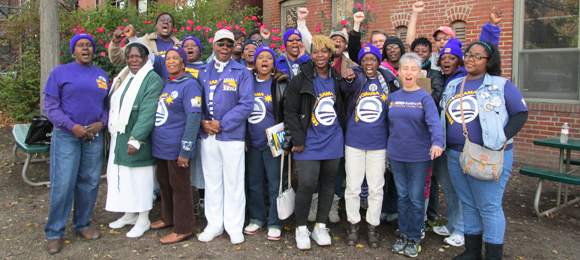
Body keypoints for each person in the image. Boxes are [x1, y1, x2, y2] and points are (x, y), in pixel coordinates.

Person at [441, 41, 528, 260]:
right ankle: (472, 251)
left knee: (488, 206)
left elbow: (520, 113)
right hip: (456, 154)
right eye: (469, 54)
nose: (471, 59)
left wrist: (501, 139)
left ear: (489, 62)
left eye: (478, 57)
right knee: (468, 203)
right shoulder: (455, 84)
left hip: (487, 155)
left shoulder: (501, 85)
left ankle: (492, 255)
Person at [432, 7, 504, 248]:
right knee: (450, 189)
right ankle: (453, 223)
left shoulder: (470, 76)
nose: (447, 62)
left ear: (461, 60)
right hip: (448, 147)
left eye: (452, 57)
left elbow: (485, 50)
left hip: (471, 148)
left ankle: (463, 229)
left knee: (467, 192)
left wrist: (491, 27)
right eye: (443, 59)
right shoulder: (444, 81)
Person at [43, 33, 108, 254]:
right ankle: (54, 232)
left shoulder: (101, 75)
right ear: (73, 51)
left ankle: (82, 224)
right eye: (80, 45)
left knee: (89, 182)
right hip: (67, 136)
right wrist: (72, 126)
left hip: (93, 137)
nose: (85, 48)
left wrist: (102, 122)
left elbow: (107, 105)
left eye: (89, 45)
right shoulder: (60, 72)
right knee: (63, 184)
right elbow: (51, 106)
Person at [283, 35, 345, 250]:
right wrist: (298, 139)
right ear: (311, 54)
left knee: (328, 185)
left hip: (333, 140)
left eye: (324, 51)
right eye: (316, 51)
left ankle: (320, 225)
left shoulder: (336, 78)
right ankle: (301, 228)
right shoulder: (301, 79)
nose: (320, 55)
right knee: (308, 184)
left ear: (330, 54)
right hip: (308, 142)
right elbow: (290, 111)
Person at [197, 29, 254, 245]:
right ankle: (214, 225)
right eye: (220, 44)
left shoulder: (241, 72)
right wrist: (203, 122)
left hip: (231, 135)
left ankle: (233, 226)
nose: (224, 48)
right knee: (212, 182)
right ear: (213, 45)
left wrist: (222, 123)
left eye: (228, 45)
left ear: (233, 48)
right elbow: (198, 101)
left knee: (234, 183)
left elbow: (246, 104)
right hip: (208, 136)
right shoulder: (203, 71)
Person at [387, 53, 444, 258]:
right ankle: (403, 233)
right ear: (399, 72)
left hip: (419, 156)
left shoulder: (425, 98)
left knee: (416, 198)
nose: (409, 73)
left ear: (419, 73)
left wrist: (438, 142)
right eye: (405, 69)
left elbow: (434, 124)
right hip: (396, 154)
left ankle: (414, 237)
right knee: (402, 196)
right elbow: (387, 126)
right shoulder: (393, 98)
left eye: (413, 69)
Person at [341, 44, 398, 248]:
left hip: (378, 142)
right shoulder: (355, 77)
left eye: (372, 59)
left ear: (378, 61)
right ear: (361, 63)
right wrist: (349, 76)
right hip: (354, 141)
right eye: (365, 60)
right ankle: (354, 225)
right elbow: (345, 87)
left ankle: (372, 227)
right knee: (353, 187)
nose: (369, 63)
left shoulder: (388, 80)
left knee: (376, 188)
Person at [105, 42, 164, 238]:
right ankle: (130, 214)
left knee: (141, 178)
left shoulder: (151, 79)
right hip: (120, 136)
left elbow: (148, 112)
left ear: (147, 58)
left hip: (138, 138)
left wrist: (136, 138)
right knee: (123, 176)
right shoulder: (125, 77)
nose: (134, 60)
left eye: (138, 56)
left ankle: (143, 219)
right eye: (130, 56)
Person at [150, 46, 201, 244]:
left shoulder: (189, 84)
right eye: (168, 58)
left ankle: (184, 227)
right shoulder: (167, 83)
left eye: (175, 58)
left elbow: (193, 117)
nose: (170, 61)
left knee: (180, 187)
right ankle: (169, 218)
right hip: (161, 146)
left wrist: (185, 150)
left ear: (183, 63)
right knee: (164, 184)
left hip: (177, 147)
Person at [243, 46, 289, 240]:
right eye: (260, 57)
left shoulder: (281, 83)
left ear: (273, 63)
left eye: (268, 58)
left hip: (275, 139)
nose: (263, 60)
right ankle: (257, 219)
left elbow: (289, 113)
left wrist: (288, 141)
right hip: (251, 141)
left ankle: (275, 222)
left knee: (275, 184)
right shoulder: (247, 82)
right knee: (254, 183)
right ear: (254, 61)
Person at [109, 12, 180, 65]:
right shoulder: (141, 42)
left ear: (172, 27)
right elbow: (117, 59)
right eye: (162, 20)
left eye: (169, 21)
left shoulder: (180, 47)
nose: (166, 22)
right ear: (156, 26)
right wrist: (115, 43)